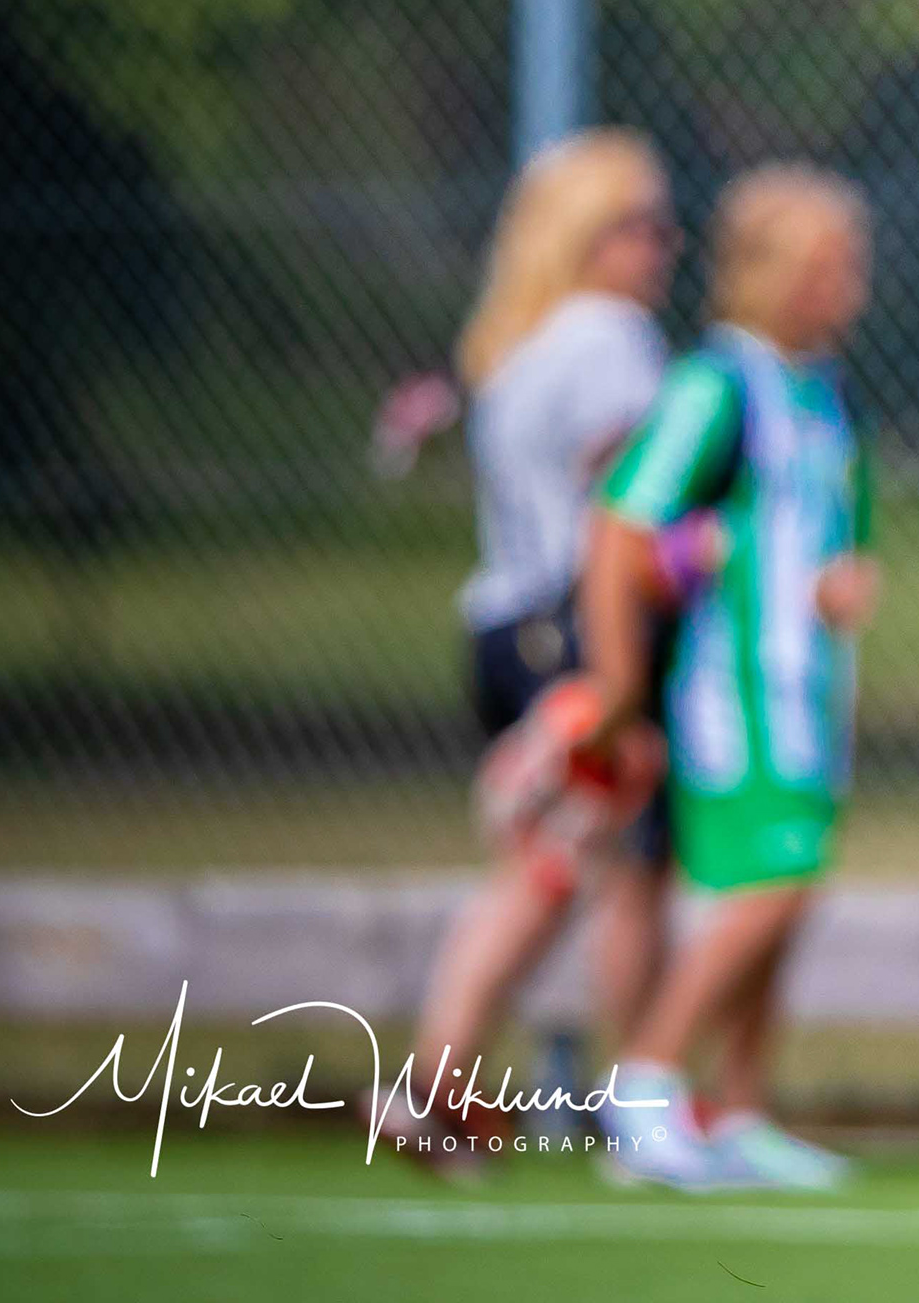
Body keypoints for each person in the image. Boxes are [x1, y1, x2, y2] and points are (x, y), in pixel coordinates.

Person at [381, 128, 680, 1171]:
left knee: (544, 869)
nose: (666, 245)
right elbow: (629, 505)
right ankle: (636, 1100)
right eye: (644, 224)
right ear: (588, 234)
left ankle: (440, 1081)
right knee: (626, 865)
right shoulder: (609, 335)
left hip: (503, 624)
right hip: (577, 627)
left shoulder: (518, 341)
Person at [585, 166, 884, 1193]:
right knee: (771, 885)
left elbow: (828, 538)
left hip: (809, 699)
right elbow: (623, 527)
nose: (849, 287)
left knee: (787, 898)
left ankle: (742, 1109)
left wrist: (842, 585)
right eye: (831, 266)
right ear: (775, 271)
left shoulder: (823, 392)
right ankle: (644, 1086)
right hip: (731, 698)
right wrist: (618, 687)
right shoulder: (715, 384)